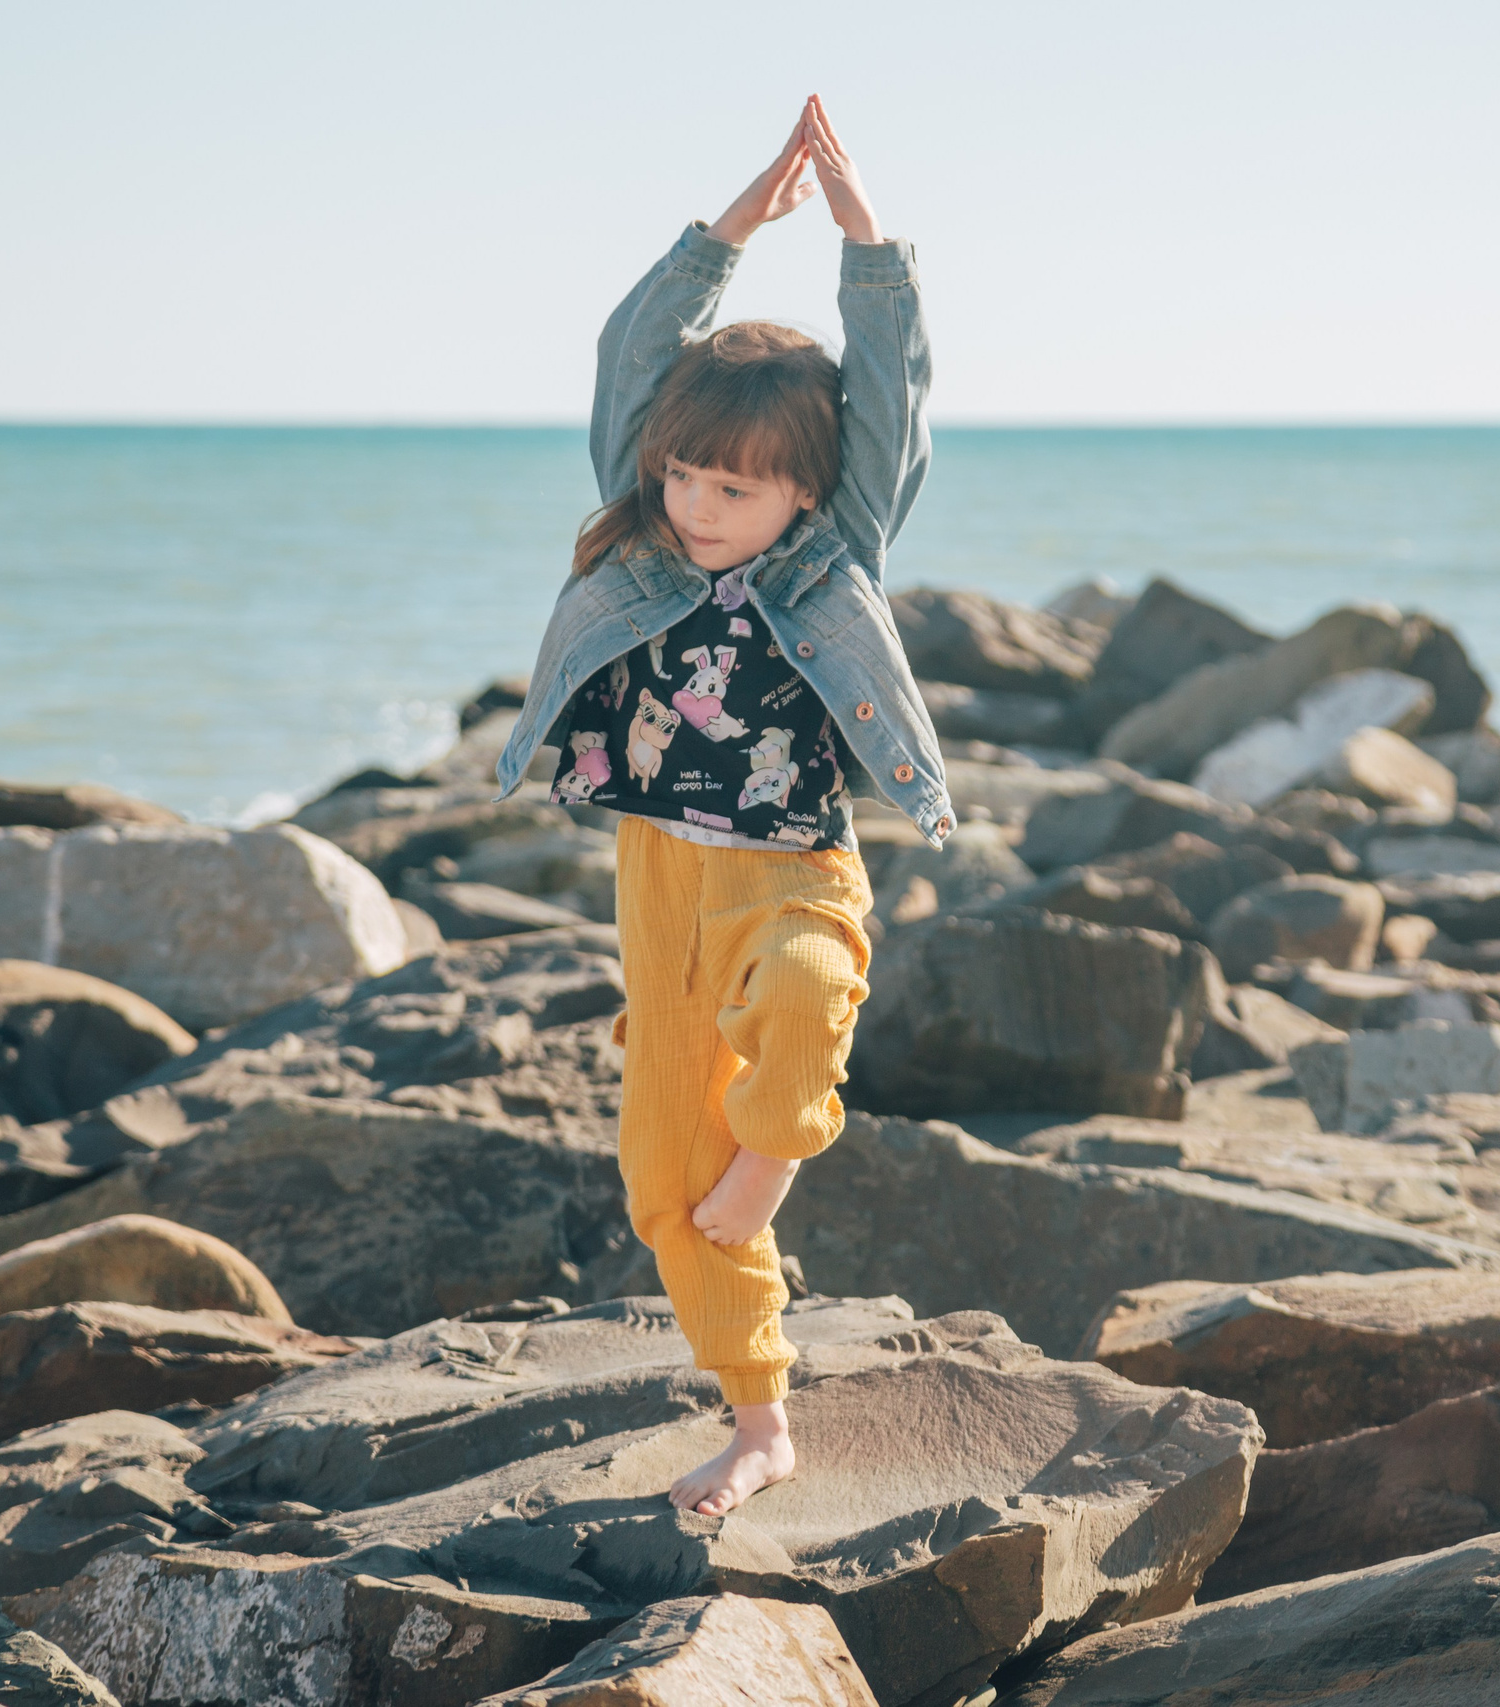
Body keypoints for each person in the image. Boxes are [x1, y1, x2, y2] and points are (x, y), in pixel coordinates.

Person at [494, 96, 949, 1516]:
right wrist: (734, 225)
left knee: (811, 1000)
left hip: (790, 866)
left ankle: (774, 1151)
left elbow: (891, 384)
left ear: (802, 490)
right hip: (659, 881)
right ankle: (761, 1419)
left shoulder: (835, 549)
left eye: (733, 485)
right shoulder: (640, 540)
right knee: (662, 1187)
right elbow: (635, 356)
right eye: (684, 472)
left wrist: (862, 237)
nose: (697, 502)